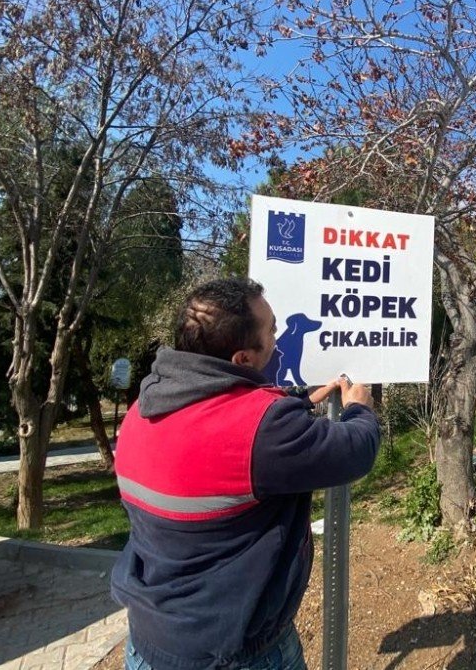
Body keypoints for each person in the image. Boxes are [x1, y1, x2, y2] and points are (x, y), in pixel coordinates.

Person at [111, 278, 379, 670]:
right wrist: (360, 410)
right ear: (242, 359)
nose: (278, 335)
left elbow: (227, 426)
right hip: (233, 654)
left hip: (150, 640)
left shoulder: (144, 407)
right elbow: (354, 451)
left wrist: (297, 402)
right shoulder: (262, 430)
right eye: (271, 330)